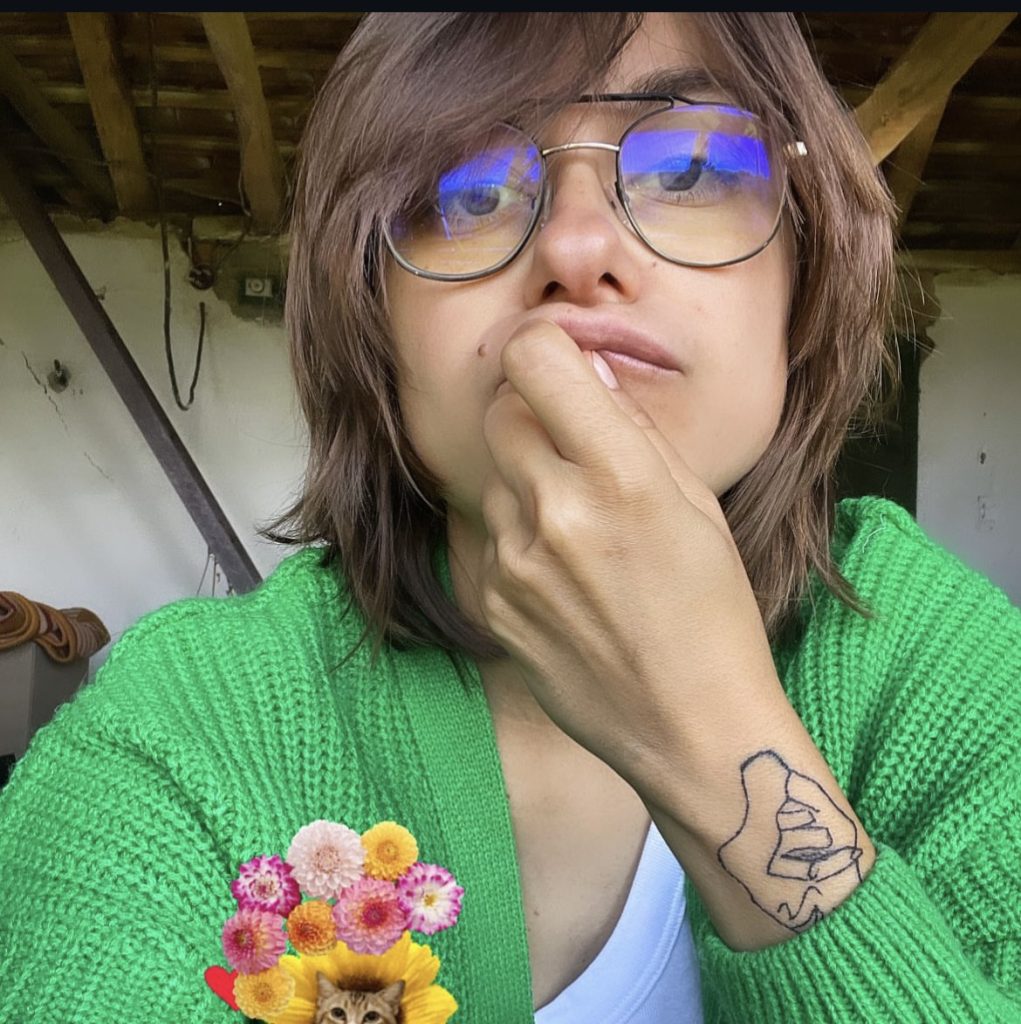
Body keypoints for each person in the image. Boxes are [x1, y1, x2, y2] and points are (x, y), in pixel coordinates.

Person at [1, 12, 1018, 1024]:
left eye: (691, 167)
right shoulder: (179, 727)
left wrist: (719, 750)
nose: (575, 247)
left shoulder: (947, 669)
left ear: (806, 269)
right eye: (468, 186)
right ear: (372, 313)